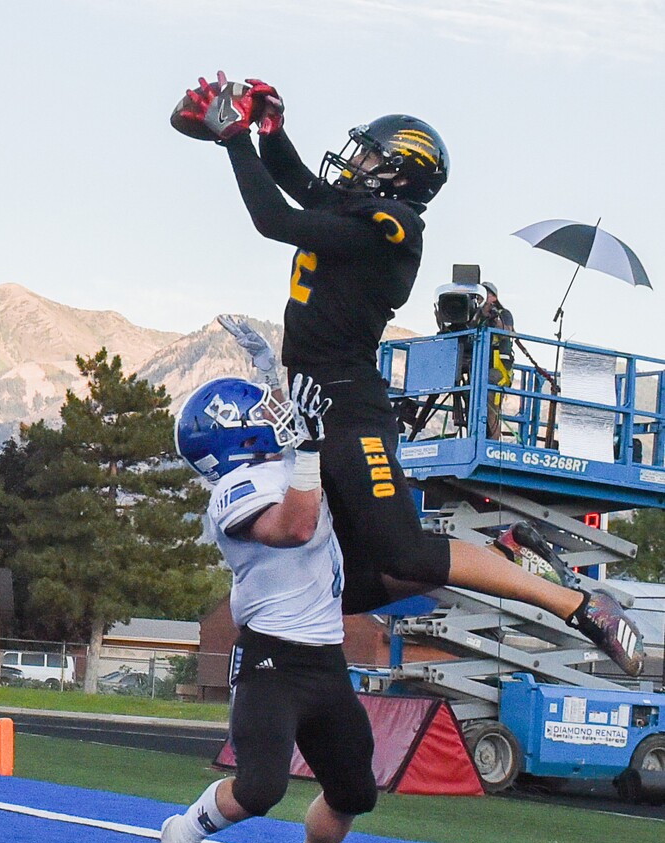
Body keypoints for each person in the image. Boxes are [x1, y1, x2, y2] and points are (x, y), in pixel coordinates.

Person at [171, 72, 644, 678]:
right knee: (346, 586)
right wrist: (269, 132)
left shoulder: (391, 229)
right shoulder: (362, 212)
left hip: (349, 405)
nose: (356, 162)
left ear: (400, 174)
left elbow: (275, 219)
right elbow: (303, 189)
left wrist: (233, 138)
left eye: (371, 155)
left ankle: (580, 605)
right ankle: (500, 556)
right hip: (319, 400)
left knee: (403, 553)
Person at [155, 374, 376, 843]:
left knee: (354, 789)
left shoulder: (289, 460)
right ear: (236, 437)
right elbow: (297, 527)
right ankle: (184, 833)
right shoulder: (232, 491)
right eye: (261, 414)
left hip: (325, 658)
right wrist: (306, 447)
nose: (275, 419)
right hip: (272, 658)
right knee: (260, 787)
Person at [478, 281, 515, 440]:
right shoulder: (480, 315)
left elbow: (508, 333)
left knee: (490, 403)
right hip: (481, 370)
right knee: (469, 392)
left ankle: (492, 442)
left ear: (493, 296)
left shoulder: (503, 313)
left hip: (499, 371)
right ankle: (479, 436)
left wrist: (494, 319)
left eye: (486, 294)